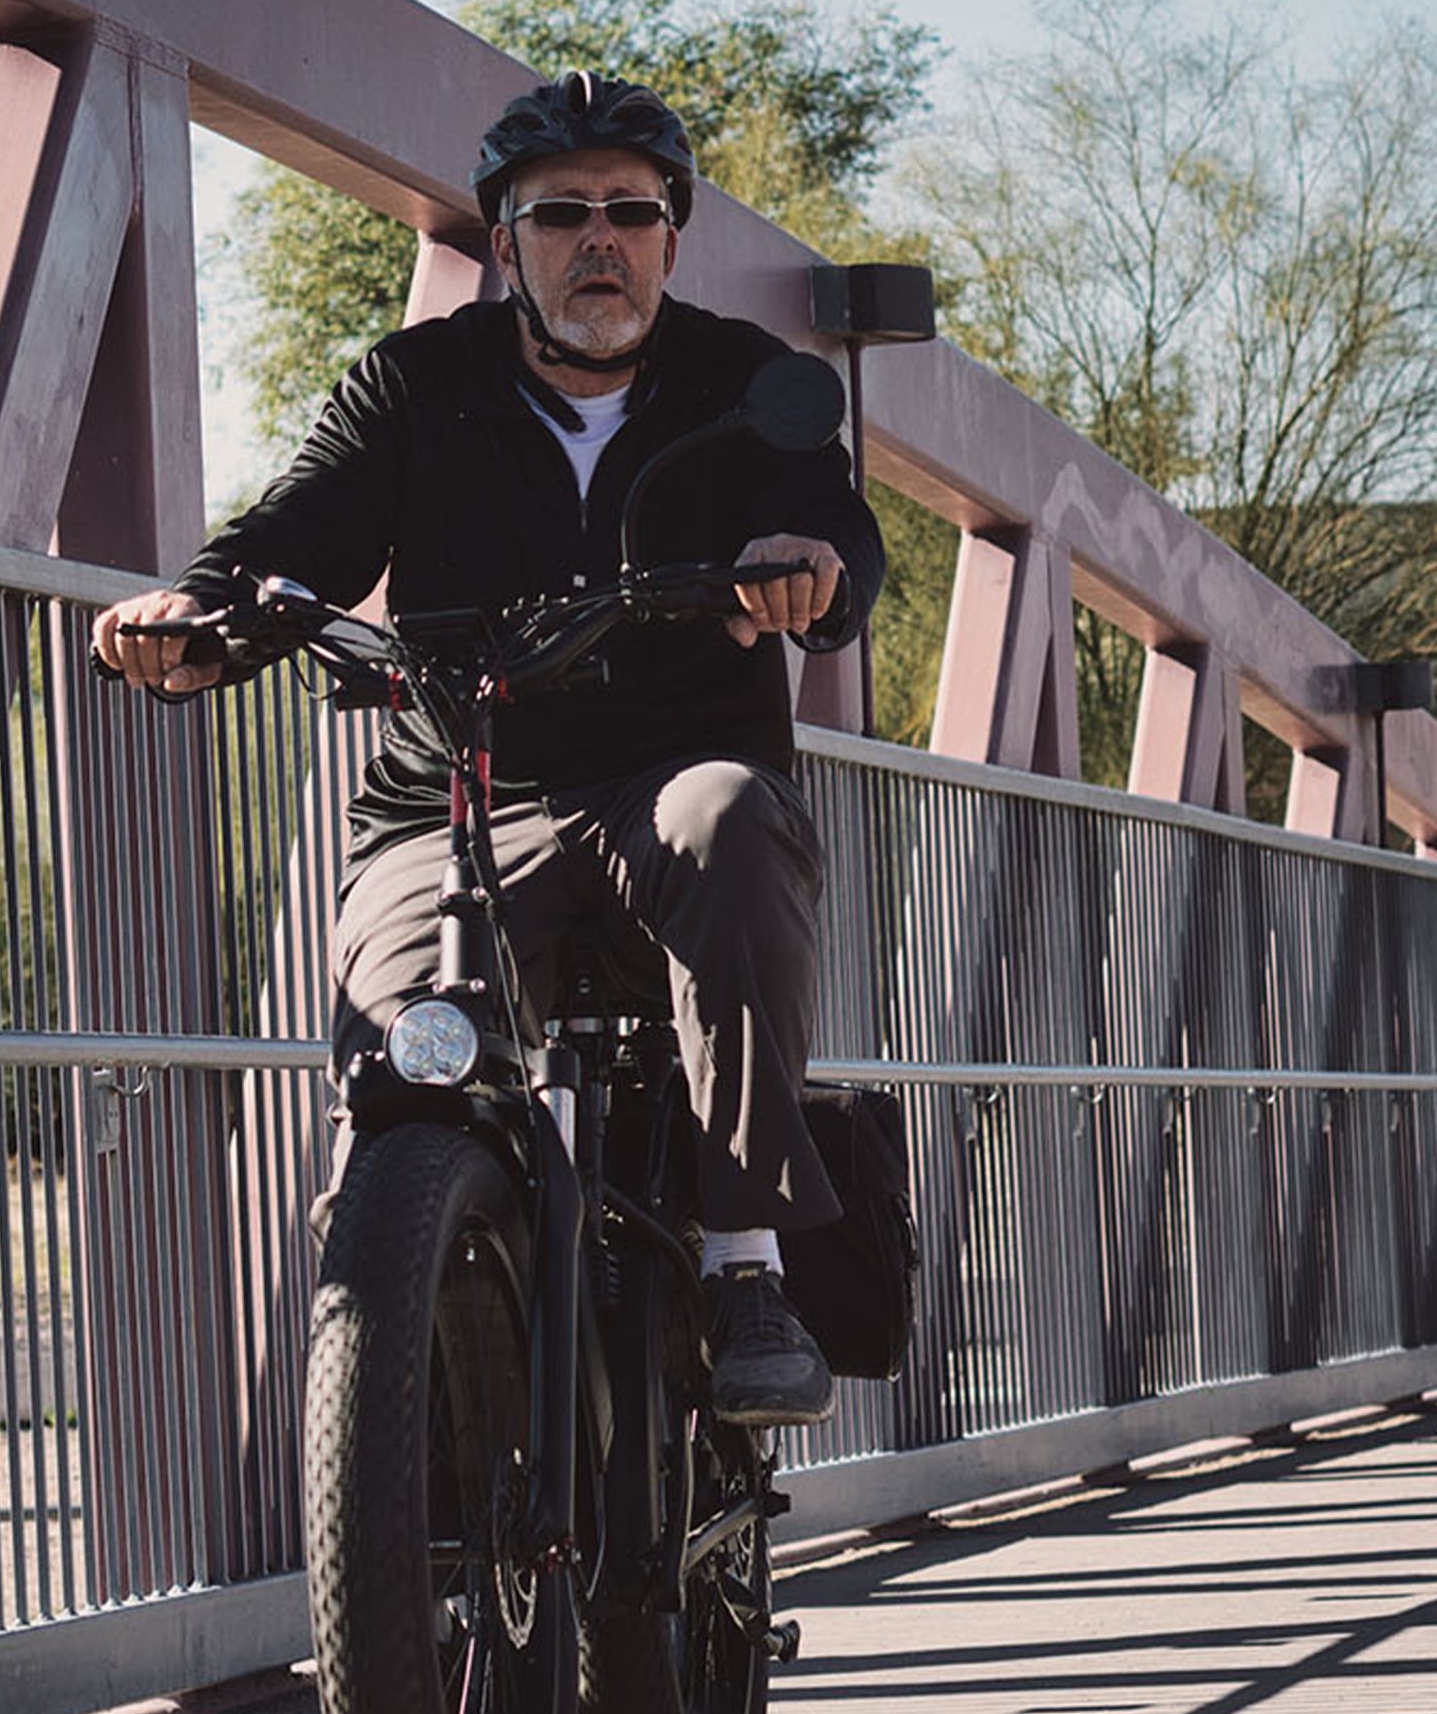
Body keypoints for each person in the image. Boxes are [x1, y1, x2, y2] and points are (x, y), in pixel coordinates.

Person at [92, 71, 882, 1427]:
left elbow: (833, 528)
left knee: (729, 823)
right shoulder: (416, 385)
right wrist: (204, 615)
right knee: (398, 1038)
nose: (599, 240)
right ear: (504, 240)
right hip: (463, 798)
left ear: (672, 239)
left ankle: (747, 1260)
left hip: (668, 780)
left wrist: (811, 566)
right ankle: (423, 1279)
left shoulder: (744, 386)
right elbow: (302, 532)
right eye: (560, 211)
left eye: (631, 213)